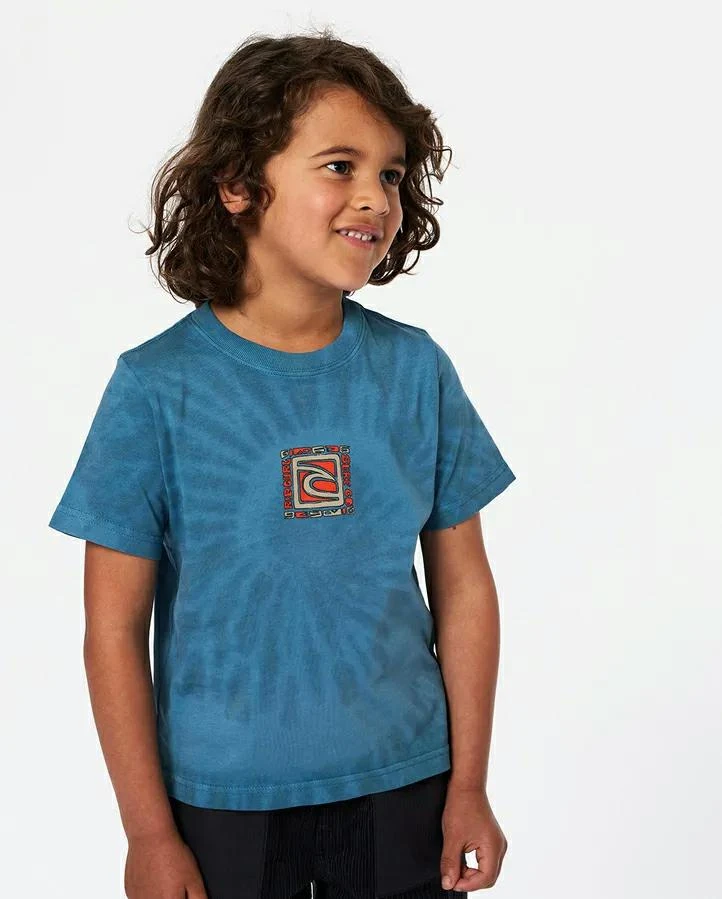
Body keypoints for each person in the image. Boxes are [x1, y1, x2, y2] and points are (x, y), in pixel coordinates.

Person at [48, 28, 516, 899]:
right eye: (339, 165)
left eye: (390, 173)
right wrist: (148, 832)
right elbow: (112, 629)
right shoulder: (155, 387)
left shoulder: (415, 370)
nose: (375, 197)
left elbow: (464, 586)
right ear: (236, 184)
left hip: (406, 786)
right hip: (222, 807)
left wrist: (469, 786)